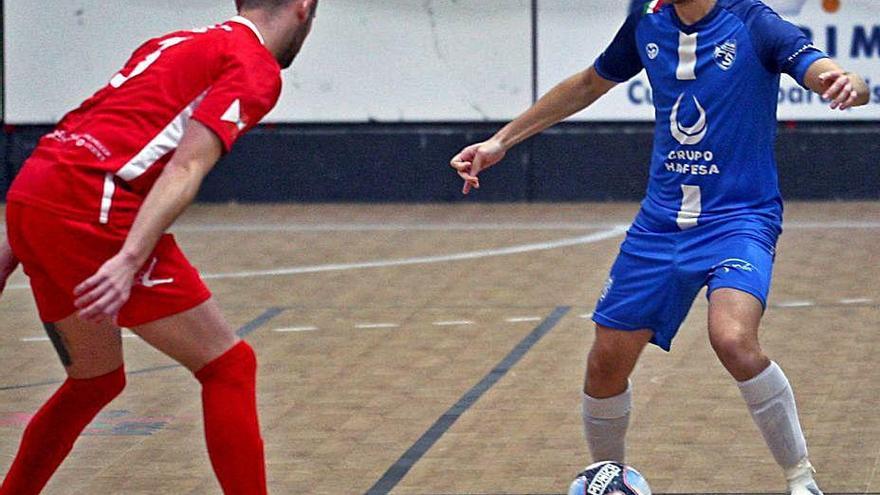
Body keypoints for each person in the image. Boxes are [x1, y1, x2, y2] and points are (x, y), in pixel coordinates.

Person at [449, 1, 869, 494]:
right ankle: (610, 480)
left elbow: (832, 75)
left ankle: (801, 480)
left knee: (732, 338)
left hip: (738, 219)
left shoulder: (754, 23)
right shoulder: (648, 21)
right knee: (605, 363)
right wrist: (501, 142)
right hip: (659, 226)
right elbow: (588, 83)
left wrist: (845, 85)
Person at [0, 0, 317, 493]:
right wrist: (128, 258)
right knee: (229, 366)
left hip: (36, 194)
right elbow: (187, 165)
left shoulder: (174, 43)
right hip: (93, 210)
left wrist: (14, 238)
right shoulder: (253, 65)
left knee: (94, 381)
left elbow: (77, 130)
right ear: (304, 6)